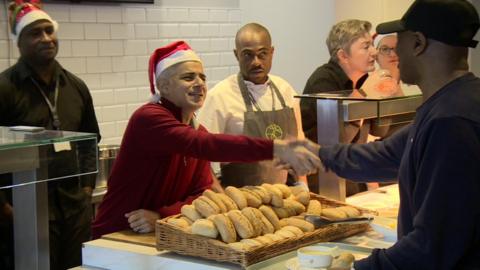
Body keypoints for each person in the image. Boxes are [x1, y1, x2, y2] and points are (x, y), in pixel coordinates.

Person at [306, 0, 480, 269]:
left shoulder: (451, 121)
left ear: (418, 43)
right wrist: (316, 154)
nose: (391, 51)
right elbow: (385, 156)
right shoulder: (448, 103)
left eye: (399, 38)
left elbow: (431, 246)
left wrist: (360, 267)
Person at [91, 41, 320, 239]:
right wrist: (276, 148)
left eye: (202, 77)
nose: (200, 83)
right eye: (188, 77)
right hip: (117, 233)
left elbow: (201, 193)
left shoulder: (196, 128)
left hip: (158, 232)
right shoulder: (150, 118)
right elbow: (206, 145)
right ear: (163, 86)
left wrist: (162, 215)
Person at [0, 2, 100, 269]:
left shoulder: (75, 86)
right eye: (35, 33)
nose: (46, 38)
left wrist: (87, 188)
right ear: (18, 43)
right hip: (24, 211)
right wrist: (5, 209)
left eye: (49, 30)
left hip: (74, 208)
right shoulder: (5, 88)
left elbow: (91, 141)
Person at [197, 23, 308, 188]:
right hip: (239, 199)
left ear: (272, 52)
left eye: (262, 54)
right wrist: (221, 196)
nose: (256, 62)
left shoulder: (286, 90)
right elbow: (200, 156)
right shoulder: (220, 96)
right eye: (247, 55)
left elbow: (298, 139)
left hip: (283, 195)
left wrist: (302, 184)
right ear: (236, 55)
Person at [300, 19, 388, 195]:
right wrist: (363, 96)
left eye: (372, 45)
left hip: (352, 176)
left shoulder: (364, 79)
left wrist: (383, 94)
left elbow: (380, 131)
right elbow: (336, 142)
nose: (374, 52)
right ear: (343, 56)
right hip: (323, 182)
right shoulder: (323, 81)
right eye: (365, 47)